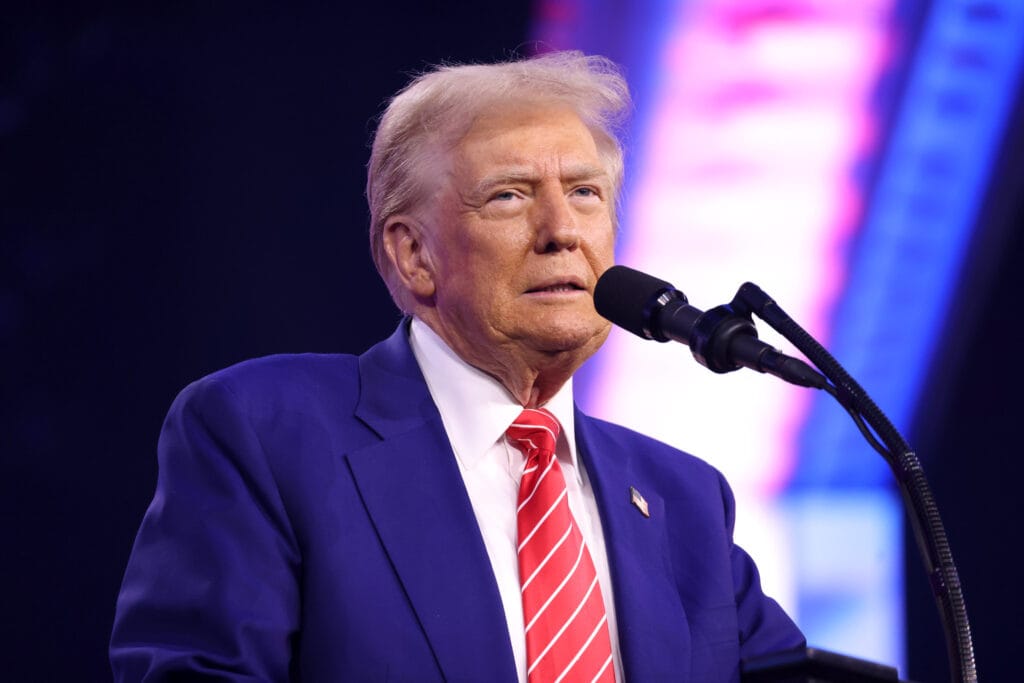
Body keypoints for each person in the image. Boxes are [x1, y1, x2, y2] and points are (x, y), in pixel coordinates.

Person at [110, 51, 804, 682]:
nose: (562, 230)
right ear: (414, 254)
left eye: (585, 193)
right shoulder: (266, 433)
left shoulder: (684, 498)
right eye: (510, 195)